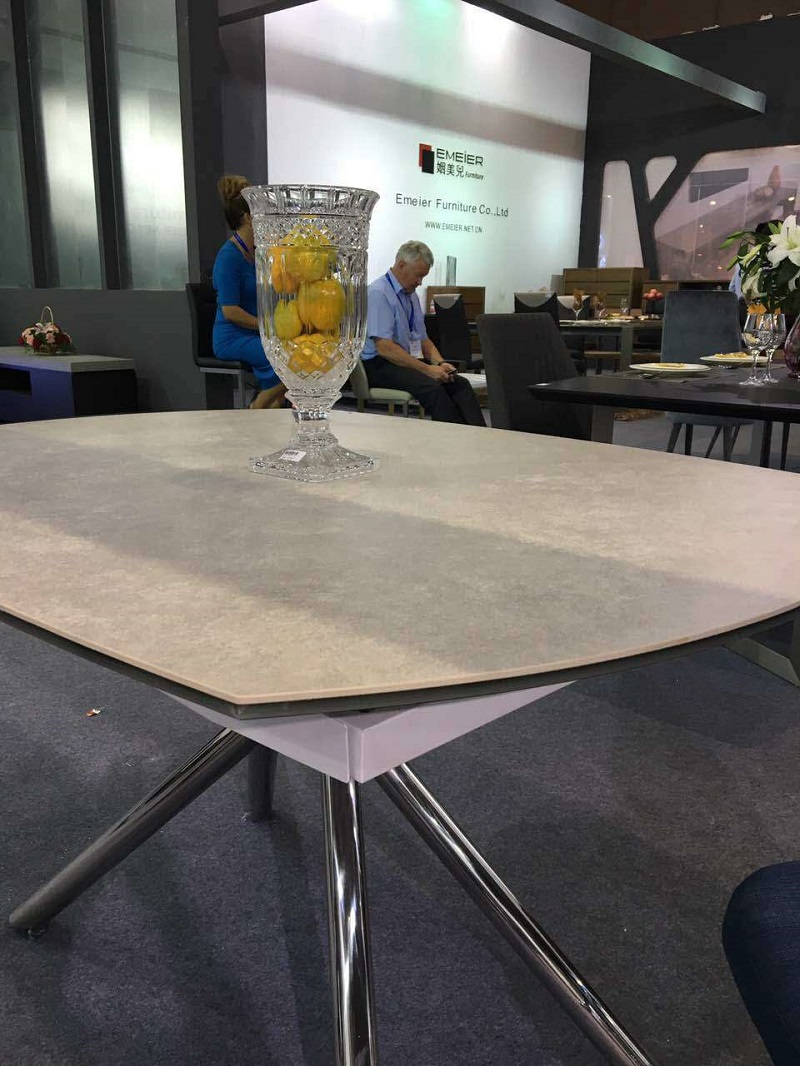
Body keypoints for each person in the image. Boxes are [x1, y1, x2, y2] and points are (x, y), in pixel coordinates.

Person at [361, 240, 485, 426]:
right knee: (433, 388)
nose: (420, 282)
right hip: (378, 364)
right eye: (418, 275)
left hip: (401, 360)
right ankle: (450, 438)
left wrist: (440, 363)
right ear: (401, 265)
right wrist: (427, 370)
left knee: (458, 383)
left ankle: (479, 435)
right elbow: (385, 348)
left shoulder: (411, 295)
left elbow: (424, 340)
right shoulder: (378, 293)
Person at [212, 175, 286, 410]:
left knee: (297, 353)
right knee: (284, 358)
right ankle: (257, 408)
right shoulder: (228, 257)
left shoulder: (257, 253)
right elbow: (230, 311)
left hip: (257, 333)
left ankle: (265, 413)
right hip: (232, 337)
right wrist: (268, 326)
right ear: (248, 218)